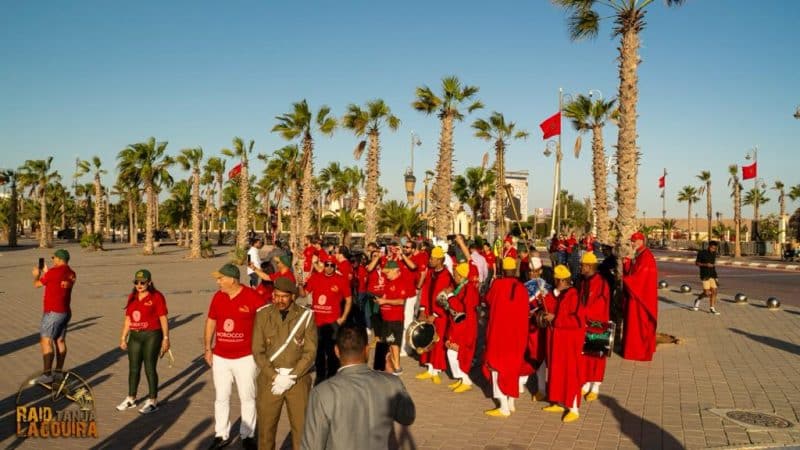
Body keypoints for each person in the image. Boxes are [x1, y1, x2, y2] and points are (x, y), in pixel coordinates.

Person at [300, 324, 415, 450]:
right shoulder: (391, 383)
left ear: (337, 351)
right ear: (367, 350)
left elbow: (311, 446)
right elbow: (408, 417)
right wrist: (393, 377)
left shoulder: (321, 392)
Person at [204, 263, 266, 450]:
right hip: (221, 356)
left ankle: (247, 435)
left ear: (232, 279)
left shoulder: (253, 297)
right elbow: (211, 321)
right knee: (221, 397)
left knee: (247, 397)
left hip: (245, 357)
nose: (218, 282)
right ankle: (221, 434)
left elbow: (265, 323)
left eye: (221, 278)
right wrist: (208, 348)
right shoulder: (218, 297)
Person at [252, 277, 317, 450]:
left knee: (301, 431)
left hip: (298, 380)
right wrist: (275, 376)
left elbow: (310, 352)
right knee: (266, 431)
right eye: (276, 295)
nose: (279, 300)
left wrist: (292, 375)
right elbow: (257, 351)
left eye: (284, 297)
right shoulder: (263, 314)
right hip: (269, 380)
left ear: (293, 297)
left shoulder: (306, 316)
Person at [117, 269, 170, 414]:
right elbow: (128, 319)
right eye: (136, 282)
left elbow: (163, 318)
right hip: (135, 336)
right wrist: (123, 337)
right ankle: (131, 398)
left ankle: (153, 400)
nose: (139, 285)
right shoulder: (132, 296)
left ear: (149, 282)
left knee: (149, 368)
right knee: (133, 368)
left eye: (142, 282)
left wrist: (166, 338)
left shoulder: (157, 296)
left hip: (152, 335)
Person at [482, 257, 529, 417]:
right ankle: (511, 402)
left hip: (499, 334)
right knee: (513, 367)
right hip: (517, 335)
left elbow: (487, 300)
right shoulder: (522, 288)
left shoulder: (497, 285)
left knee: (497, 367)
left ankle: (503, 407)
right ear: (515, 270)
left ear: (502, 269)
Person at [541, 265, 585, 423]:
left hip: (568, 342)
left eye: (555, 280)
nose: (554, 282)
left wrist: (556, 319)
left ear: (562, 280)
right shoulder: (560, 294)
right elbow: (552, 307)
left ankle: (573, 408)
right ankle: (559, 401)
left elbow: (578, 321)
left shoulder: (572, 295)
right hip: (558, 340)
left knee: (569, 374)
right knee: (557, 372)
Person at [300, 254, 352, 384]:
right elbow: (303, 294)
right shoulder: (316, 278)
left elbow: (349, 300)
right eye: (326, 265)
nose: (328, 268)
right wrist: (300, 285)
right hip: (317, 323)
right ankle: (320, 376)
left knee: (332, 352)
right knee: (318, 351)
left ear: (335, 266)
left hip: (333, 323)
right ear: (323, 265)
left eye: (331, 265)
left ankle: (333, 376)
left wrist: (343, 318)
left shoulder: (341, 280)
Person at [30, 248, 76, 385]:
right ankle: (58, 372)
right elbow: (57, 281)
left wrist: (36, 275)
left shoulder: (53, 273)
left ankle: (47, 374)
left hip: (52, 312)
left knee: (46, 341)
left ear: (60, 259)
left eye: (54, 258)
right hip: (65, 311)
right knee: (60, 341)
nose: (52, 260)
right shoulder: (71, 273)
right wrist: (47, 272)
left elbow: (37, 285)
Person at [415, 246, 454, 384]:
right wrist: (422, 310)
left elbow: (446, 299)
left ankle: (436, 370)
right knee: (427, 340)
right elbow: (425, 292)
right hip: (428, 313)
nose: (430, 260)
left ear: (439, 260)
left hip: (440, 316)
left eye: (432, 258)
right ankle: (429, 368)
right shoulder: (431, 273)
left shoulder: (447, 276)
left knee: (437, 342)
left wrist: (436, 315)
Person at [578, 253, 610, 402]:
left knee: (597, 357)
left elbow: (600, 306)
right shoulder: (584, 281)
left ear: (589, 266)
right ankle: (585, 383)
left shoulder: (601, 283)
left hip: (597, 325)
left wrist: (583, 313)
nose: (580, 268)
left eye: (582, 265)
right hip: (584, 324)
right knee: (585, 356)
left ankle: (595, 386)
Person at [622, 232, 658, 361]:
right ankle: (634, 351)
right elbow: (635, 271)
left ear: (641, 241)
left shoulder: (646, 257)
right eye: (631, 241)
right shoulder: (641, 255)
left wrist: (625, 279)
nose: (632, 243)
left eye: (634, 241)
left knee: (639, 326)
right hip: (637, 296)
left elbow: (639, 278)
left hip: (641, 299)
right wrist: (627, 264)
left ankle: (638, 352)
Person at [444, 262, 479, 393]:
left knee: (456, 353)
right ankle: (461, 378)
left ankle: (465, 379)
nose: (454, 277)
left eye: (456, 275)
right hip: (458, 325)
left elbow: (460, 309)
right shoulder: (461, 287)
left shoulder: (468, 289)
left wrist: (450, 296)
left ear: (462, 276)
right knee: (453, 352)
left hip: (464, 326)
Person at [374, 260, 414, 374]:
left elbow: (401, 301)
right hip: (385, 318)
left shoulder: (400, 282)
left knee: (394, 343)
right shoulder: (388, 281)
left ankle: (397, 367)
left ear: (395, 271)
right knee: (384, 341)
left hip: (394, 319)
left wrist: (384, 301)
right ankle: (379, 366)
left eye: (388, 272)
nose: (386, 274)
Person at [523, 256, 550, 401]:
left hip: (538, 329)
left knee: (540, 360)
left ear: (540, 271)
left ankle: (541, 389)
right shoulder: (525, 285)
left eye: (535, 271)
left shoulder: (545, 286)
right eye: (530, 271)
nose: (532, 274)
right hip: (526, 327)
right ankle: (521, 382)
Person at [694, 241, 720, 315]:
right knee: (706, 293)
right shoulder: (702, 253)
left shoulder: (714, 254)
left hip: (712, 275)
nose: (713, 250)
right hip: (704, 275)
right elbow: (697, 263)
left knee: (714, 291)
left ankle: (712, 308)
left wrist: (716, 277)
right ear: (709, 246)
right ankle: (698, 300)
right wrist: (706, 264)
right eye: (712, 248)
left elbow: (713, 266)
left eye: (715, 249)